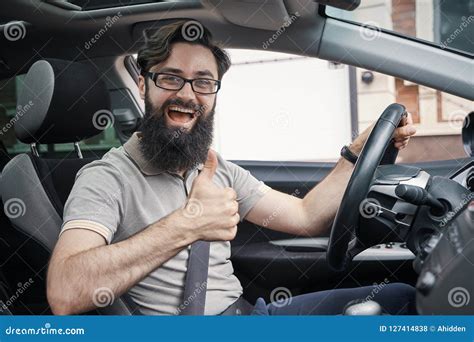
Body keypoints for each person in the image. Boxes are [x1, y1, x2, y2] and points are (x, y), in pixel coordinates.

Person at [47, 21, 417, 316]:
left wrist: (354, 154)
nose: (188, 94)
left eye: (204, 82)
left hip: (251, 316)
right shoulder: (105, 177)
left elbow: (306, 217)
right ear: (144, 83)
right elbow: (65, 292)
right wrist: (188, 224)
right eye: (171, 77)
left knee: (400, 299)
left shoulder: (214, 167)